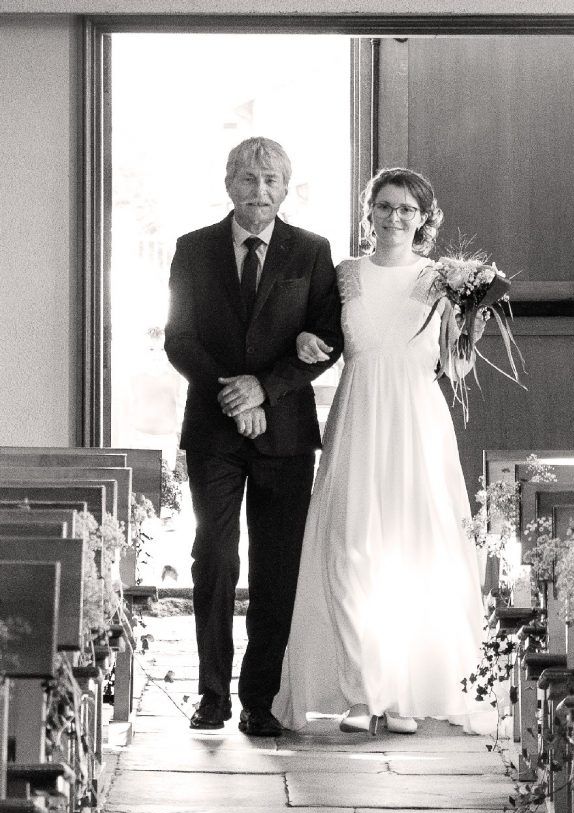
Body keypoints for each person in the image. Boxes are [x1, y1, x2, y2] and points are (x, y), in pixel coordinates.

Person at [272, 167, 485, 736]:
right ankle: (362, 691)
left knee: (414, 550)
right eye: (385, 206)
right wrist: (301, 339)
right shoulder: (344, 275)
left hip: (416, 420)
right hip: (359, 414)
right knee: (350, 549)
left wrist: (471, 331)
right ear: (368, 213)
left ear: (424, 219)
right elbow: (314, 335)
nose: (395, 218)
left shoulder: (444, 280)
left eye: (407, 210)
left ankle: (405, 690)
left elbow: (454, 368)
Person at [164, 137, 343, 735]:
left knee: (276, 567)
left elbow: (325, 341)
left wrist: (264, 389)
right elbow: (179, 339)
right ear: (228, 183)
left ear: (287, 187)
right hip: (213, 430)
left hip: (286, 434)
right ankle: (211, 694)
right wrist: (232, 394)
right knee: (213, 557)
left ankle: (258, 700)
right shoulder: (193, 250)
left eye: (270, 180)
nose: (258, 191)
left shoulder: (312, 252)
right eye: (247, 179)